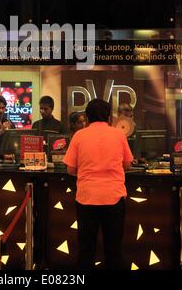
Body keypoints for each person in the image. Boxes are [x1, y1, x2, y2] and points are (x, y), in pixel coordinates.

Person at [63, 99, 133, 270]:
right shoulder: (118, 134)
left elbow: (70, 170)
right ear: (109, 116)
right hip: (114, 198)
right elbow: (127, 165)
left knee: (86, 249)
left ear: (87, 117)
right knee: (113, 250)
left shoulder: (79, 136)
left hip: (87, 198)